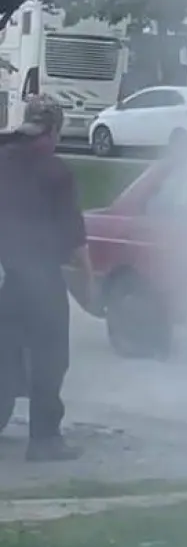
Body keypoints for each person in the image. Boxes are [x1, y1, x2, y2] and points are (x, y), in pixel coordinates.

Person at [0, 93, 98, 461]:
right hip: (41, 281)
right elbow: (74, 236)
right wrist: (89, 282)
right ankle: (44, 440)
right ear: (54, 130)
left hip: (7, 279)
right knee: (50, 358)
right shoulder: (56, 171)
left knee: (4, 354)